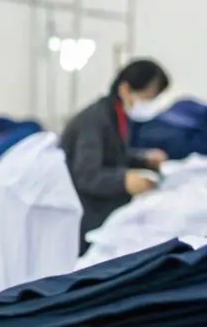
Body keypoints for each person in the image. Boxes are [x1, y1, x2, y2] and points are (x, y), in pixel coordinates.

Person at [61, 57, 170, 254]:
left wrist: (144, 161)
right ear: (126, 89)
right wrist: (124, 181)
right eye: (148, 96)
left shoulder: (115, 114)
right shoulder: (94, 120)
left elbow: (113, 155)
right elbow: (87, 176)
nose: (150, 103)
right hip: (84, 212)